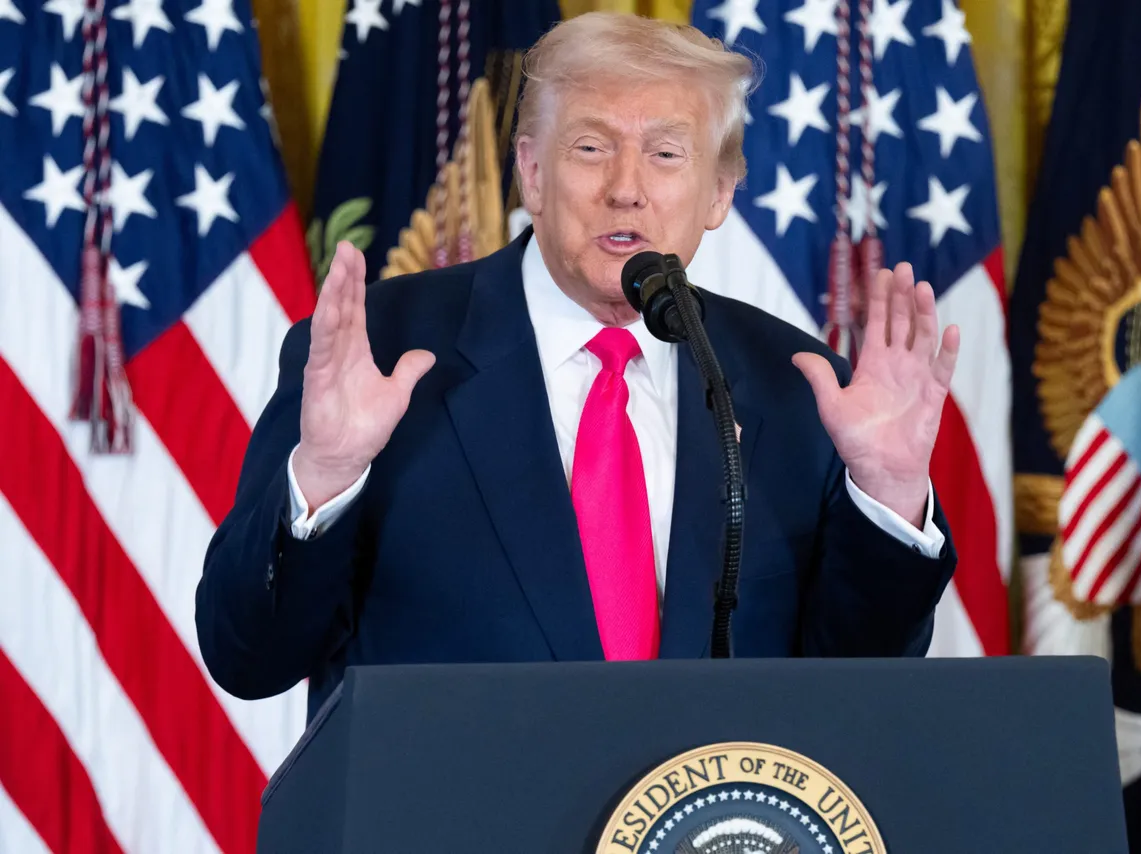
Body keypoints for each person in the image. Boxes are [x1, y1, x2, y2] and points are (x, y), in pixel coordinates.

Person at [196, 12, 960, 720]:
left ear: (719, 193)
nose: (625, 187)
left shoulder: (799, 389)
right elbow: (249, 658)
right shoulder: (386, 350)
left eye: (666, 154)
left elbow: (857, 692)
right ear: (530, 171)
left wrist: (888, 499)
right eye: (590, 147)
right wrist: (326, 473)